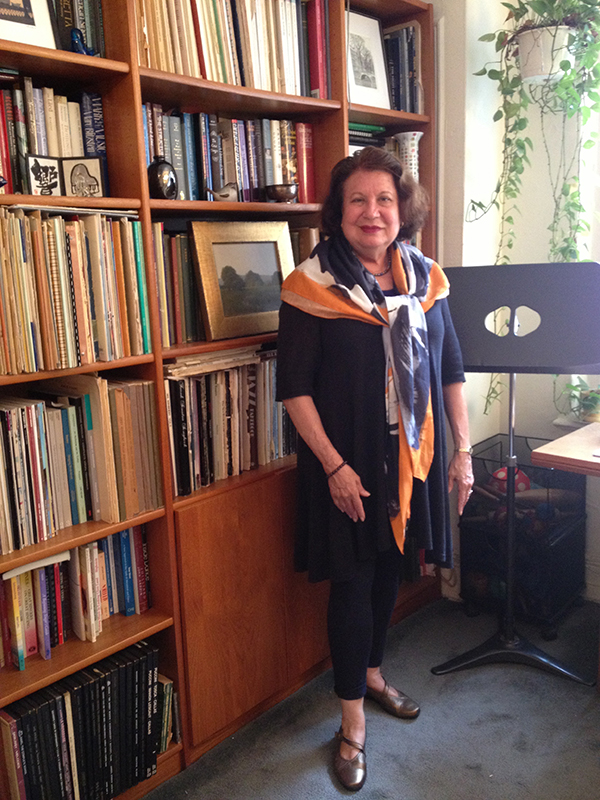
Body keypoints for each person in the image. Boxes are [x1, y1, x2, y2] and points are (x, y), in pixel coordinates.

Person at [275, 146, 474, 791]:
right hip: (349, 466)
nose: (372, 212)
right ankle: (352, 724)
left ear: (403, 209)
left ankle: (375, 673)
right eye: (358, 200)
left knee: (391, 571)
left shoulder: (426, 279)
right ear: (339, 212)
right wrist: (332, 466)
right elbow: (295, 390)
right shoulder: (310, 286)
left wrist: (463, 451)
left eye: (384, 199)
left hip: (414, 461)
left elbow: (450, 373)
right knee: (353, 585)